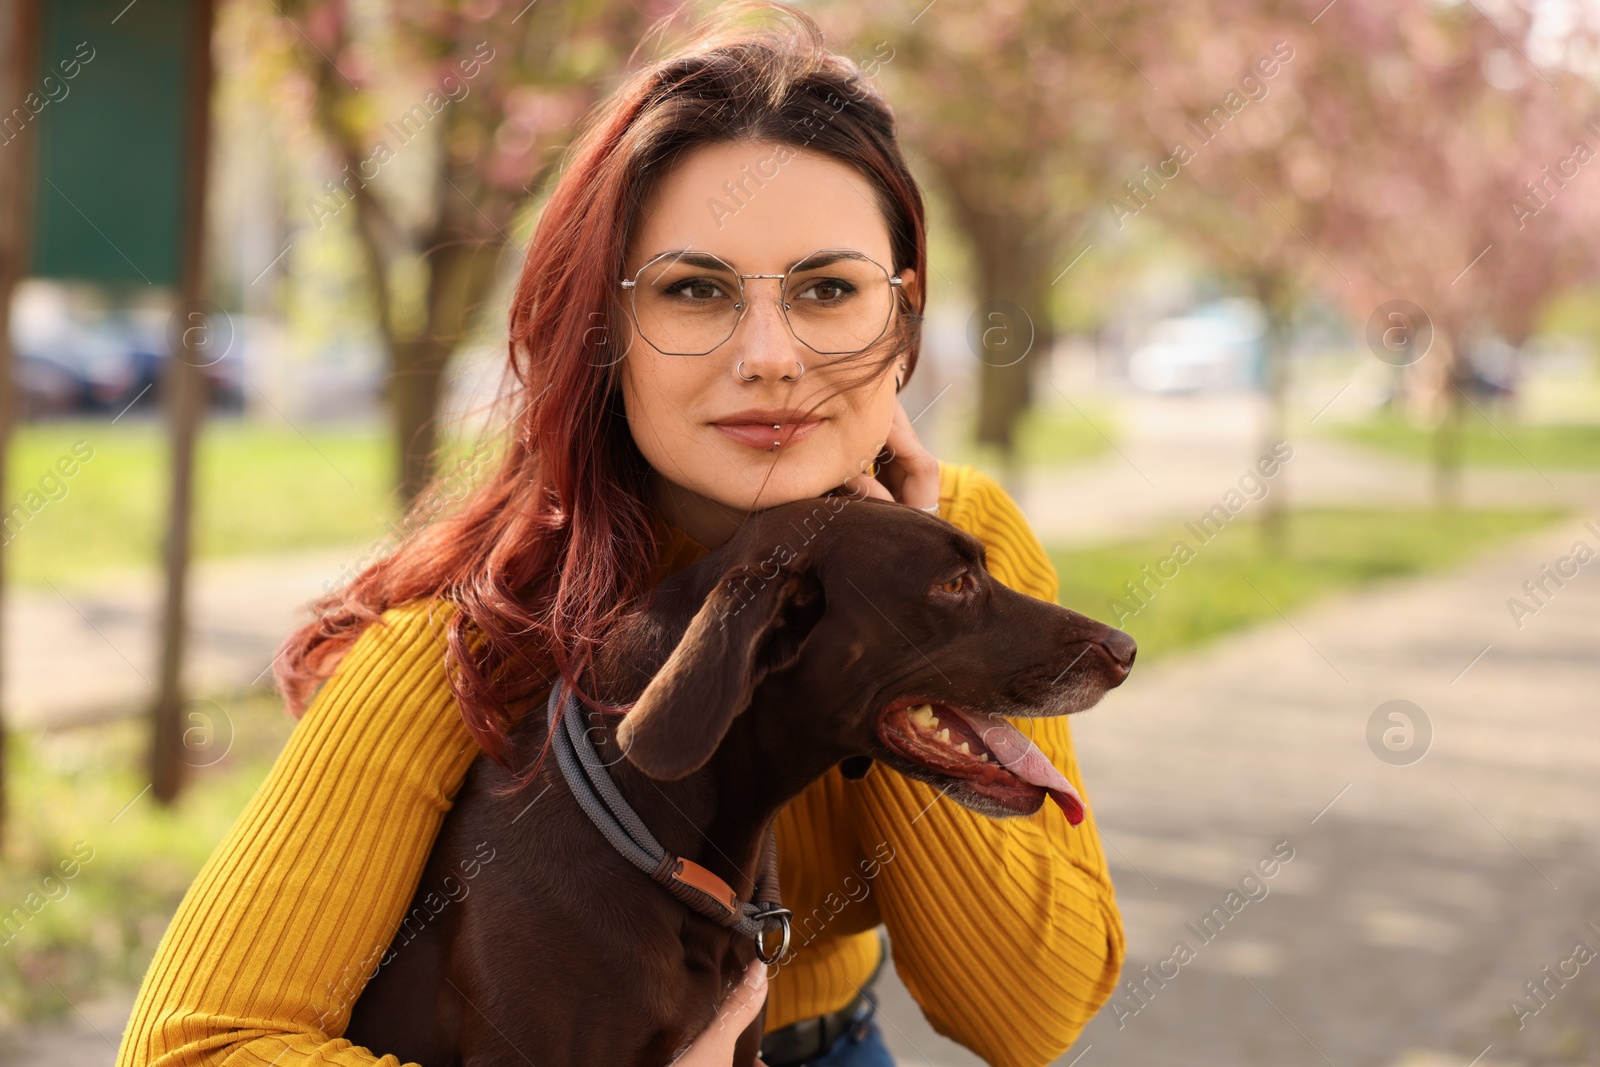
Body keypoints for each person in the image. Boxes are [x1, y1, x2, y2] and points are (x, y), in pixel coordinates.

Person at [114, 5, 1124, 1066]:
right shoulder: (468, 644)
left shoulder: (961, 542)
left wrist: (912, 611)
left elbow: (1027, 1015)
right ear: (602, 329)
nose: (771, 354)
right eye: (695, 290)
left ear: (902, 317)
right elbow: (194, 1047)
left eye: (829, 290)